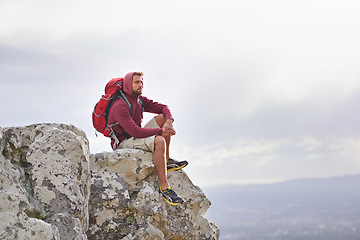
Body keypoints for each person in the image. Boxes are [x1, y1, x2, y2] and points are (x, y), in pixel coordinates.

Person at [107, 71, 188, 205]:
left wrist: (168, 121)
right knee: (159, 140)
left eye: (142, 82)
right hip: (124, 142)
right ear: (128, 84)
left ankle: (165, 161)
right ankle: (165, 188)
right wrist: (162, 131)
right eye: (137, 82)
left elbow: (164, 107)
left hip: (135, 136)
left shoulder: (139, 100)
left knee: (162, 118)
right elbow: (136, 131)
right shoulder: (119, 106)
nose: (141, 85)